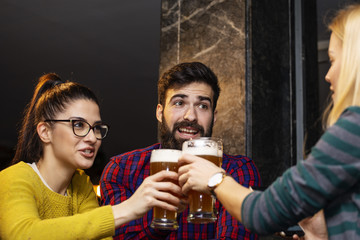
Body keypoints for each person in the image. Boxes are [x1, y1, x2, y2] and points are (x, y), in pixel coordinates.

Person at [177, 3, 360, 240]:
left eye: (333, 60)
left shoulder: (353, 127)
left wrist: (214, 179)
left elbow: (264, 213)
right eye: (179, 103)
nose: (327, 74)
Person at [0, 73, 182, 240]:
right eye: (78, 125)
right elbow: (23, 234)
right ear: (45, 131)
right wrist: (130, 207)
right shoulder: (14, 178)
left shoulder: (81, 185)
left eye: (96, 128)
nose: (92, 137)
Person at [100, 62, 261, 239]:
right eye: (179, 103)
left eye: (202, 106)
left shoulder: (236, 169)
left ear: (214, 117)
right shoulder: (122, 169)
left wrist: (216, 184)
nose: (190, 116)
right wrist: (164, 219)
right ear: (160, 113)